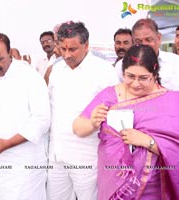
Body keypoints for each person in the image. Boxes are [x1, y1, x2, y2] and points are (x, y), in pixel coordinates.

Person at [73, 44, 179, 199]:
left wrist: (148, 142)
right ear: (123, 72)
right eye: (130, 76)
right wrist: (92, 123)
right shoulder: (109, 95)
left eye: (143, 78)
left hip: (152, 187)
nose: (135, 83)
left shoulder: (169, 101)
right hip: (112, 177)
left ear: (154, 75)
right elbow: (77, 128)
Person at [0, 32, 50, 199]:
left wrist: (8, 143)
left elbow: (41, 119)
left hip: (25, 162)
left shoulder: (30, 77)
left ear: (10, 53)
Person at [47, 21, 119, 200]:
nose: (67, 54)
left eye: (73, 49)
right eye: (63, 48)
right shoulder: (56, 70)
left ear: (86, 45)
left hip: (87, 156)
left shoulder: (104, 71)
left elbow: (114, 113)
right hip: (57, 153)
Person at [115, 18, 179, 104]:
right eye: (138, 41)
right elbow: (117, 97)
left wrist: (161, 79)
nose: (144, 44)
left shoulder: (174, 61)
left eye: (148, 40)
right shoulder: (121, 65)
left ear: (158, 37)